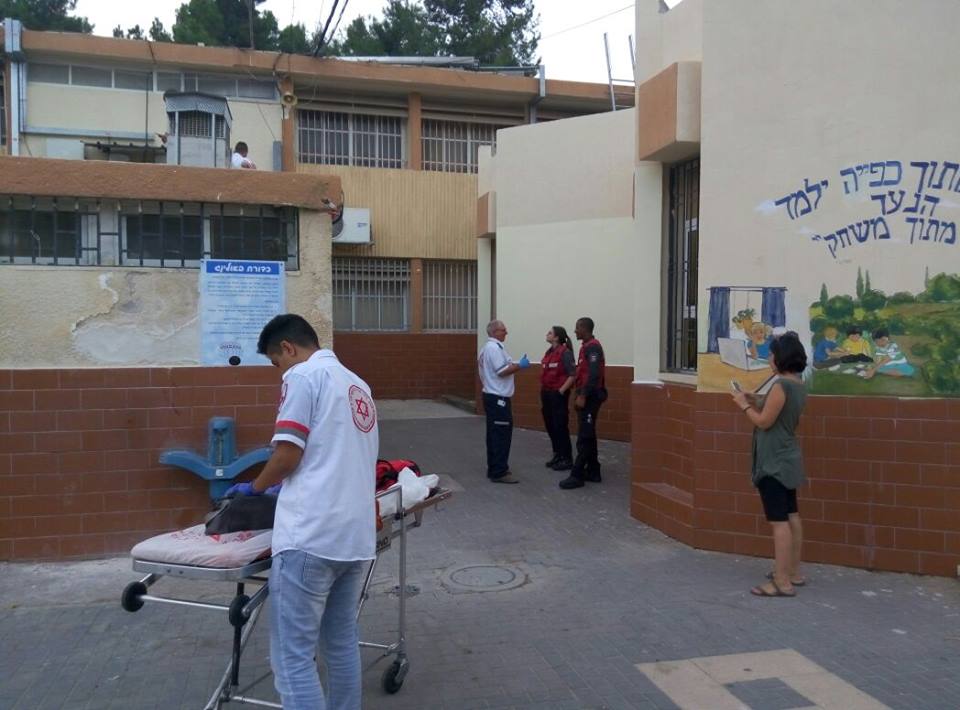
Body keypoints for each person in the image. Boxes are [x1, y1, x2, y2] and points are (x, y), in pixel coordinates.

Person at [224, 313, 378, 709]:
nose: (279, 371)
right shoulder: (358, 385)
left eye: (276, 362)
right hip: (354, 538)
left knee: (292, 658)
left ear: (288, 348)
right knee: (340, 643)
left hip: (310, 535)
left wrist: (256, 488)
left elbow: (287, 454)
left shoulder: (303, 376)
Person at [731, 331, 808, 598]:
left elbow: (764, 421)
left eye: (772, 354)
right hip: (788, 457)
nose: (769, 358)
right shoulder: (797, 383)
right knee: (792, 515)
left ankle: (781, 581)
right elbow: (778, 409)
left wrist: (744, 406)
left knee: (779, 522)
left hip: (773, 460)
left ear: (780, 357)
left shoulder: (780, 385)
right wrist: (755, 399)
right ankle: (793, 572)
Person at [478, 319, 529, 484]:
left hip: (493, 396)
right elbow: (501, 371)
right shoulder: (493, 348)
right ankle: (499, 472)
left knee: (494, 434)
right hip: (498, 398)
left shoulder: (488, 348)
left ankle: (495, 468)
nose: (506, 332)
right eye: (503, 330)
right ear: (494, 332)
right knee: (501, 435)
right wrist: (520, 366)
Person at [559, 317, 607, 490]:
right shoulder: (585, 347)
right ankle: (593, 471)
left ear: (585, 329)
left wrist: (583, 395)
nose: (575, 331)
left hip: (591, 396)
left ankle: (577, 475)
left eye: (577, 328)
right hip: (586, 394)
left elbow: (594, 374)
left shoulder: (593, 347)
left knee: (584, 437)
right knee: (589, 434)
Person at [540, 325, 576, 471]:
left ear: (556, 337)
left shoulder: (565, 353)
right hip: (546, 393)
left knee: (560, 426)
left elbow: (572, 375)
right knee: (550, 425)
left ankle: (566, 458)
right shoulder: (549, 352)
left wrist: (561, 391)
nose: (547, 334)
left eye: (550, 333)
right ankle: (557, 454)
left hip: (557, 394)